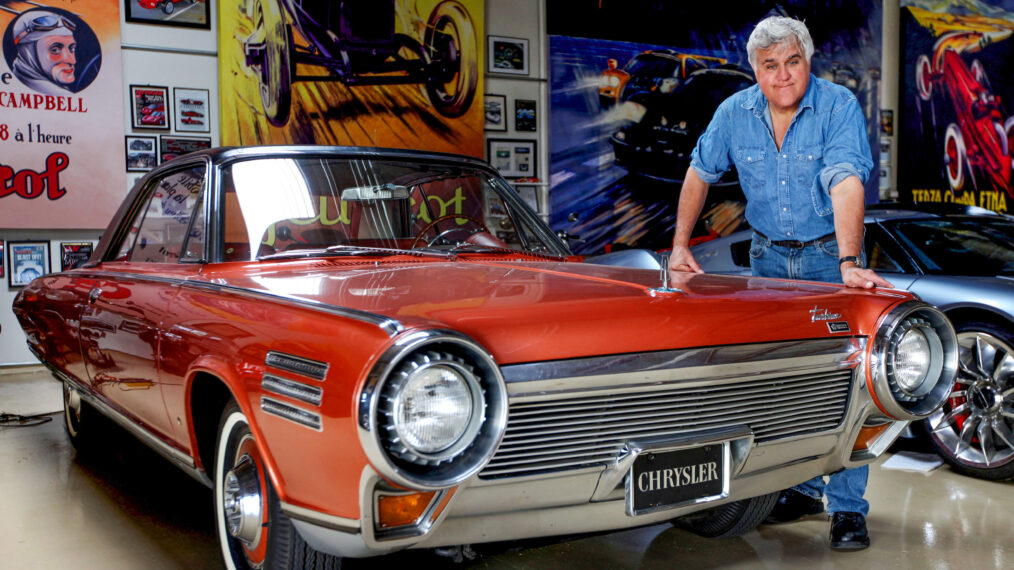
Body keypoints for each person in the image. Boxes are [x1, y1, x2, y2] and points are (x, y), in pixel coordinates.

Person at [667, 15, 893, 551]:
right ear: (755, 70)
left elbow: (844, 179)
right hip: (767, 263)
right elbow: (699, 172)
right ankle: (798, 486)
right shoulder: (733, 113)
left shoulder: (836, 106)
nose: (784, 75)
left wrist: (846, 261)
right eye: (771, 65)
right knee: (780, 382)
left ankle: (847, 509)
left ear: (806, 60)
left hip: (824, 264)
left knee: (844, 381)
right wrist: (678, 245)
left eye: (793, 61)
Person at [11, 10, 78, 96]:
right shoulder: (63, 96)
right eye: (55, 50)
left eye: (71, 49)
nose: (72, 60)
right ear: (28, 54)